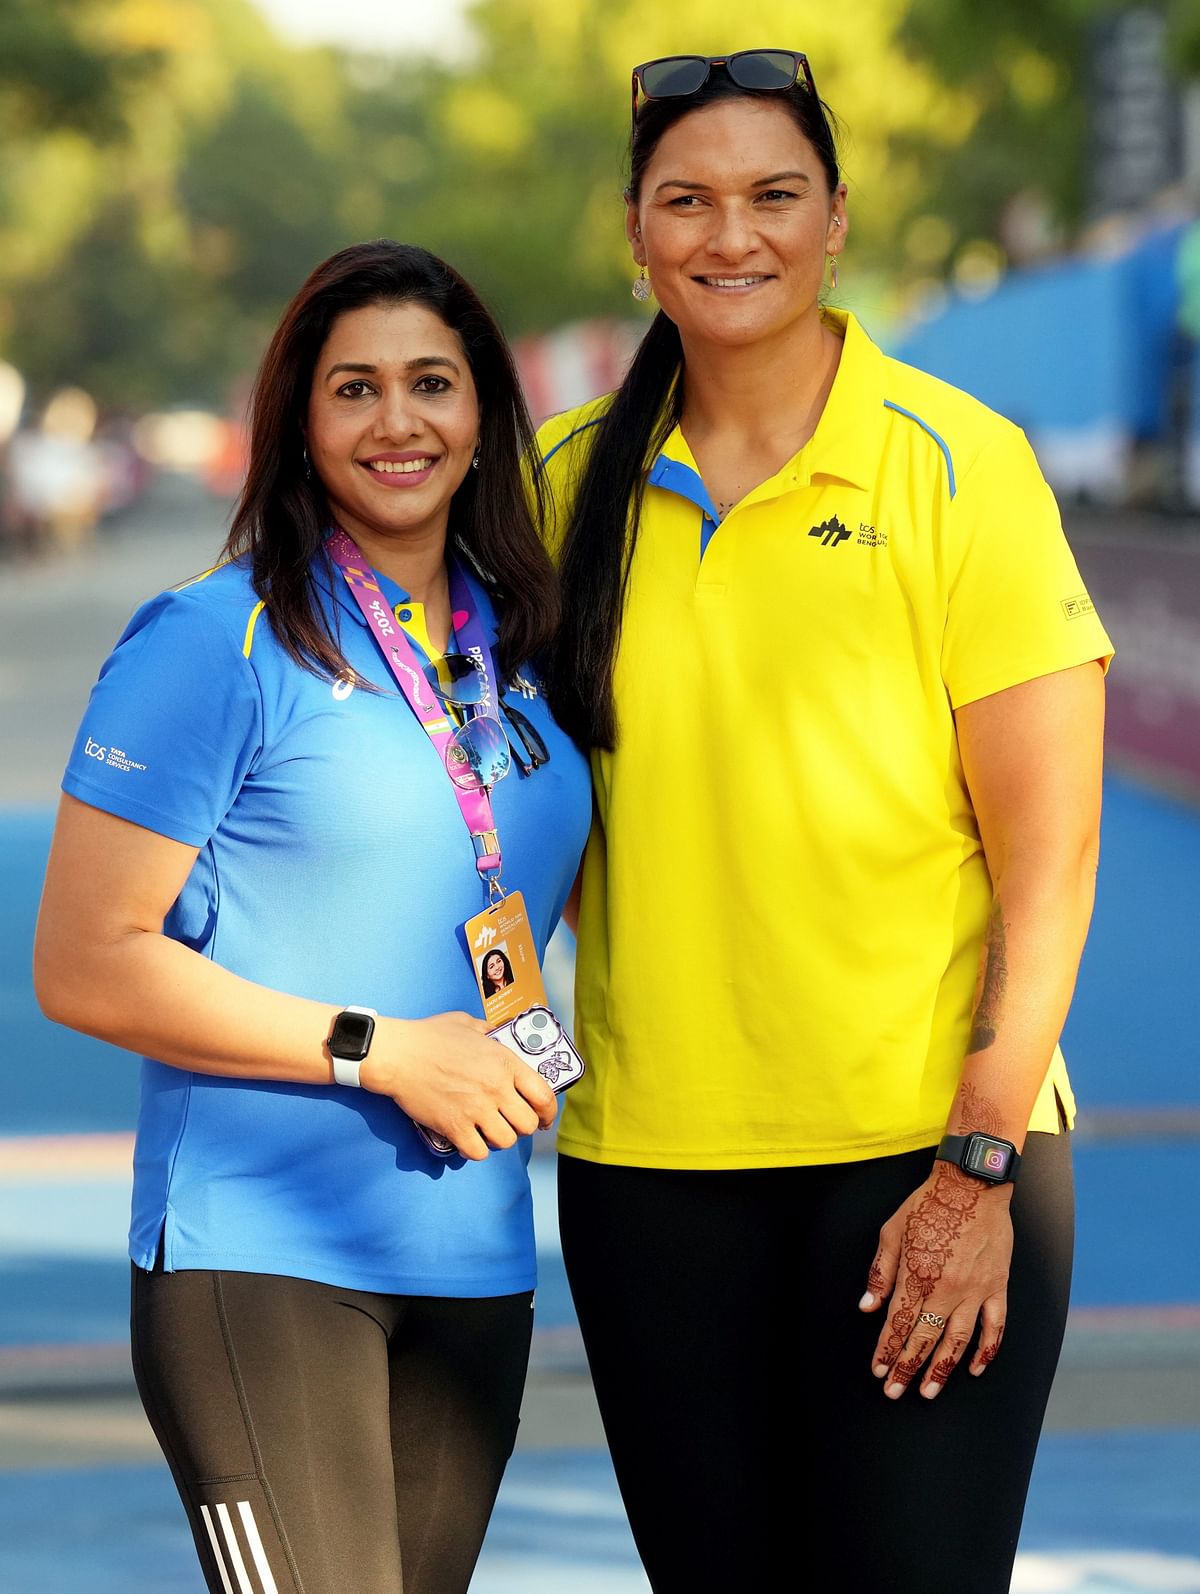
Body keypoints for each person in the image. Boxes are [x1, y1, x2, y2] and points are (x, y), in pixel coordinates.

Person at [537, 51, 1112, 1594]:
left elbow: (1050, 858)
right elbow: (483, 806)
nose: (736, 234)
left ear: (838, 219)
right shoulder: (557, 483)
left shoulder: (961, 465)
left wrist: (978, 1163)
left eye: (776, 194)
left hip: (924, 1160)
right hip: (651, 1173)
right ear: (636, 234)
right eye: (691, 200)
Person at [34, 240, 591, 1594]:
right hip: (260, 1256)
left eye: (431, 383)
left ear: (483, 417)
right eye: (354, 388)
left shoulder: (522, 652)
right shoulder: (213, 639)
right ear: (297, 419)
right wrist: (381, 1048)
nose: (397, 422)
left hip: (472, 1252)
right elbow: (83, 961)